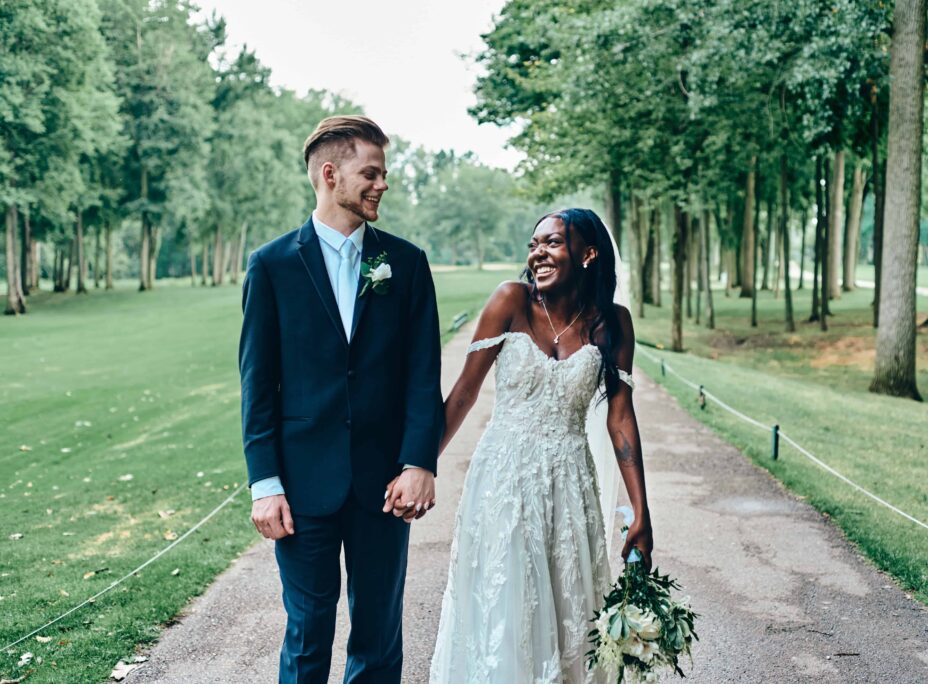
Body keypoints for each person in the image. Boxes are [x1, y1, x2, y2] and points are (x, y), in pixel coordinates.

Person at [238, 115, 444, 684]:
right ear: (330, 175)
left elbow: (423, 375)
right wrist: (265, 484)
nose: (382, 185)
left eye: (383, 174)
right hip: (303, 486)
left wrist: (419, 462)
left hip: (385, 486)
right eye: (370, 173)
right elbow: (257, 386)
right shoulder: (272, 265)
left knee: (378, 633)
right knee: (307, 633)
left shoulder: (406, 264)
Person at [422, 208, 654, 683]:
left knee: (570, 606)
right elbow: (464, 393)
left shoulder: (612, 324)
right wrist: (419, 466)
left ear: (588, 254)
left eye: (552, 243)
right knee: (506, 603)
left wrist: (640, 511)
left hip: (572, 484)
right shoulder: (511, 300)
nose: (538, 253)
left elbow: (621, 417)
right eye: (534, 244)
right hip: (502, 482)